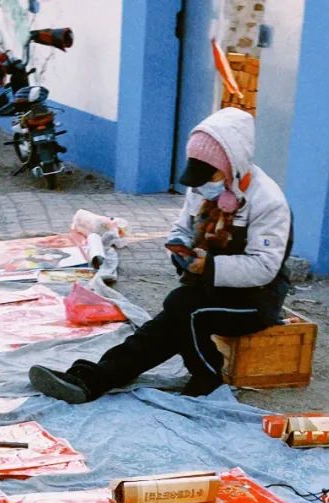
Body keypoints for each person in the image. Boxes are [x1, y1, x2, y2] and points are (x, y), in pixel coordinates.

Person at [29, 107, 293, 402]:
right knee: (163, 327)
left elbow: (265, 266)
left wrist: (209, 266)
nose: (202, 183)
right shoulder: (203, 189)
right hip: (211, 288)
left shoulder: (268, 201)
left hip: (256, 299)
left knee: (184, 307)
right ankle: (94, 379)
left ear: (233, 165)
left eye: (210, 174)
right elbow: (181, 226)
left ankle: (208, 377)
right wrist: (179, 246)